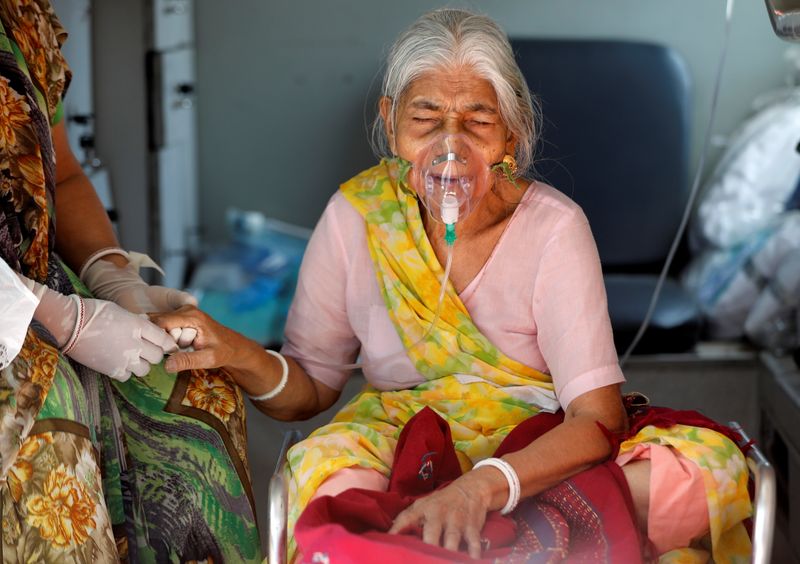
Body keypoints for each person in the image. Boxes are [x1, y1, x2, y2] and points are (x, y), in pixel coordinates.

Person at [152, 8, 752, 563]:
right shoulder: (357, 215)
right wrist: (237, 351)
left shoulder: (554, 226)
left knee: (705, 473)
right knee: (324, 484)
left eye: (478, 122)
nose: (450, 148)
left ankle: (465, 535)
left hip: (536, 441)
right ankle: (535, 536)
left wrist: (485, 486)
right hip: (399, 431)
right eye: (425, 120)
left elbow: (596, 419)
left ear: (512, 136)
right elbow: (310, 388)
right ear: (391, 125)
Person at [0, 0, 261, 561]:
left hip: (39, 284)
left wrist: (110, 274)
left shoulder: (23, 17)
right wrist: (59, 318)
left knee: (200, 392)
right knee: (52, 426)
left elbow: (62, 173)